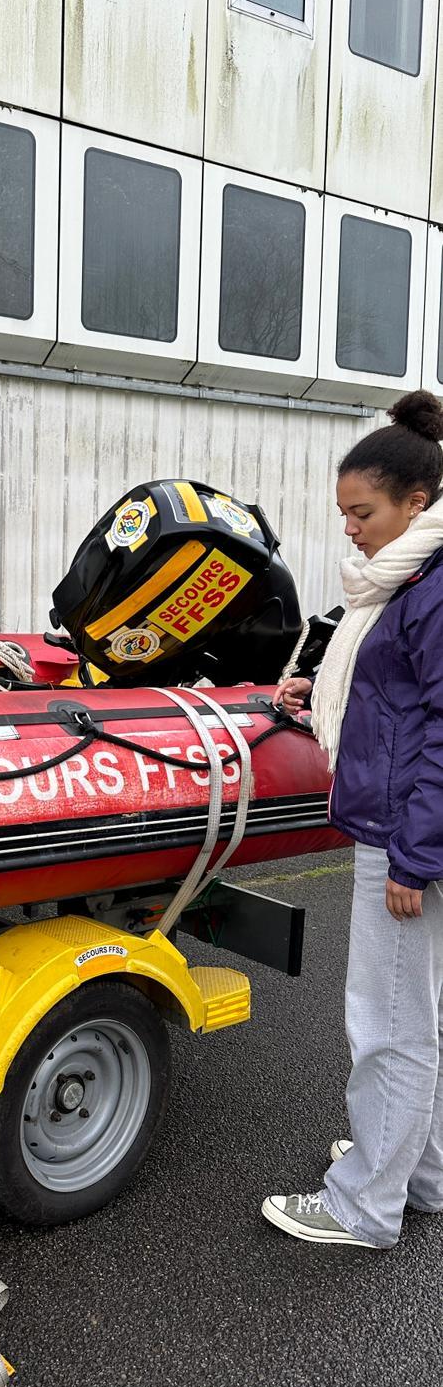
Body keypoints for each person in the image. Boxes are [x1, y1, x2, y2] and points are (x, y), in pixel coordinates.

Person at [262, 388, 443, 1249]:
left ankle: (363, 1204)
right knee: (417, 1017)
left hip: (408, 836)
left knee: (388, 1025)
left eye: (360, 512)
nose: (349, 529)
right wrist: (318, 694)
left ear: (417, 502)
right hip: (407, 825)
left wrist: (414, 857)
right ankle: (419, 1174)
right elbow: (400, 697)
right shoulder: (408, 581)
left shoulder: (433, 589)